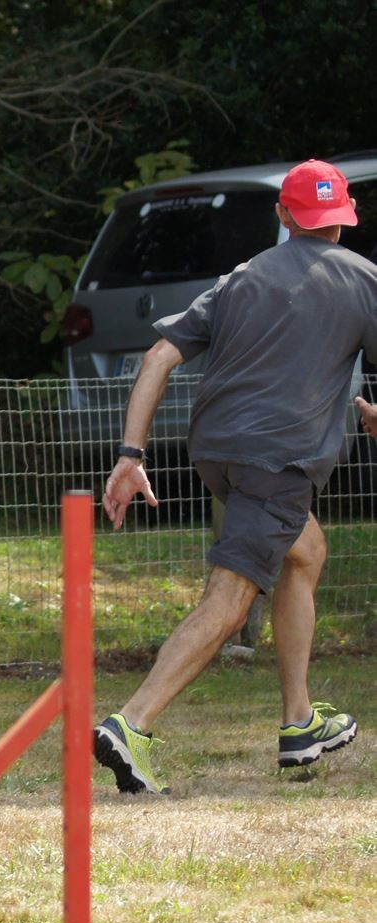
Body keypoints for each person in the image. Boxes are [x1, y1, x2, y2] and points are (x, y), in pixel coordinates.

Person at [93, 158, 377, 794]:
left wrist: (131, 453)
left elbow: (159, 355)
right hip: (276, 464)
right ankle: (129, 724)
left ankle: (299, 722)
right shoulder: (364, 279)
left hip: (218, 454)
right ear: (343, 222)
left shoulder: (241, 277)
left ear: (283, 216)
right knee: (229, 599)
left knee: (306, 551)